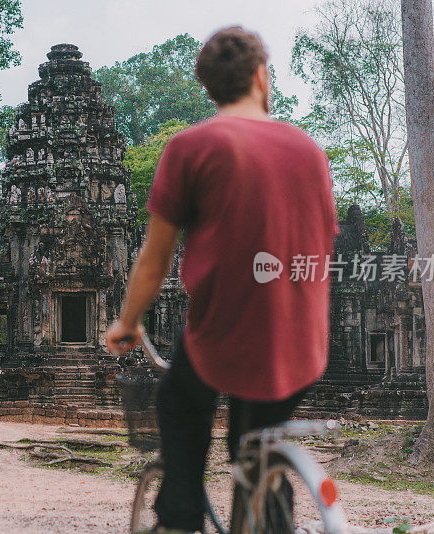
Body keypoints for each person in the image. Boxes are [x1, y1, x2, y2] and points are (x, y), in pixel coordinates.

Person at [104, 26, 338, 533]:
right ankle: (267, 509)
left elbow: (155, 257)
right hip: (301, 344)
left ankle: (181, 515)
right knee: (254, 446)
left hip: (222, 336)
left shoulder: (191, 147)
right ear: (261, 75)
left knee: (178, 400)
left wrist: (127, 322)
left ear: (207, 89)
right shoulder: (309, 151)